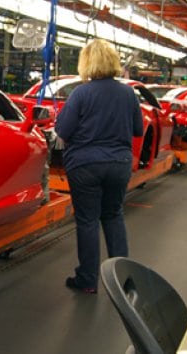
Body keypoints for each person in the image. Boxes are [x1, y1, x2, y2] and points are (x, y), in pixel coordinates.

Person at [54, 39, 144, 294]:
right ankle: (124, 279)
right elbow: (137, 129)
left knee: (88, 220)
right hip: (119, 163)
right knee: (114, 215)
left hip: (85, 165)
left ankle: (88, 280)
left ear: (87, 63)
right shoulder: (128, 93)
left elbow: (63, 130)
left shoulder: (81, 93)